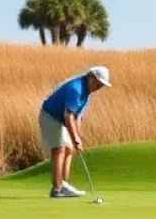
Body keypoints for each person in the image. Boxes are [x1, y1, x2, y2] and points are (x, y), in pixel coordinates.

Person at [37, 65, 112, 198]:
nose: (100, 87)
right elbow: (68, 116)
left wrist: (77, 138)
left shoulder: (86, 94)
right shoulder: (76, 89)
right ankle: (56, 189)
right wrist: (75, 138)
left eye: (102, 85)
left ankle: (63, 184)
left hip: (61, 119)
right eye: (99, 83)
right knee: (59, 148)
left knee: (68, 149)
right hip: (50, 116)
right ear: (90, 77)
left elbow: (77, 117)